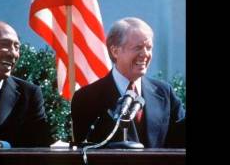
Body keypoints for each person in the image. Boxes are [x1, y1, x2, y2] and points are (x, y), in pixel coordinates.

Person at [71, 17, 185, 148]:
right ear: (115, 51)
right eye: (138, 48)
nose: (145, 54)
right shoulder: (86, 98)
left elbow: (180, 140)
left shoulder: (164, 92)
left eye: (149, 47)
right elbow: (85, 149)